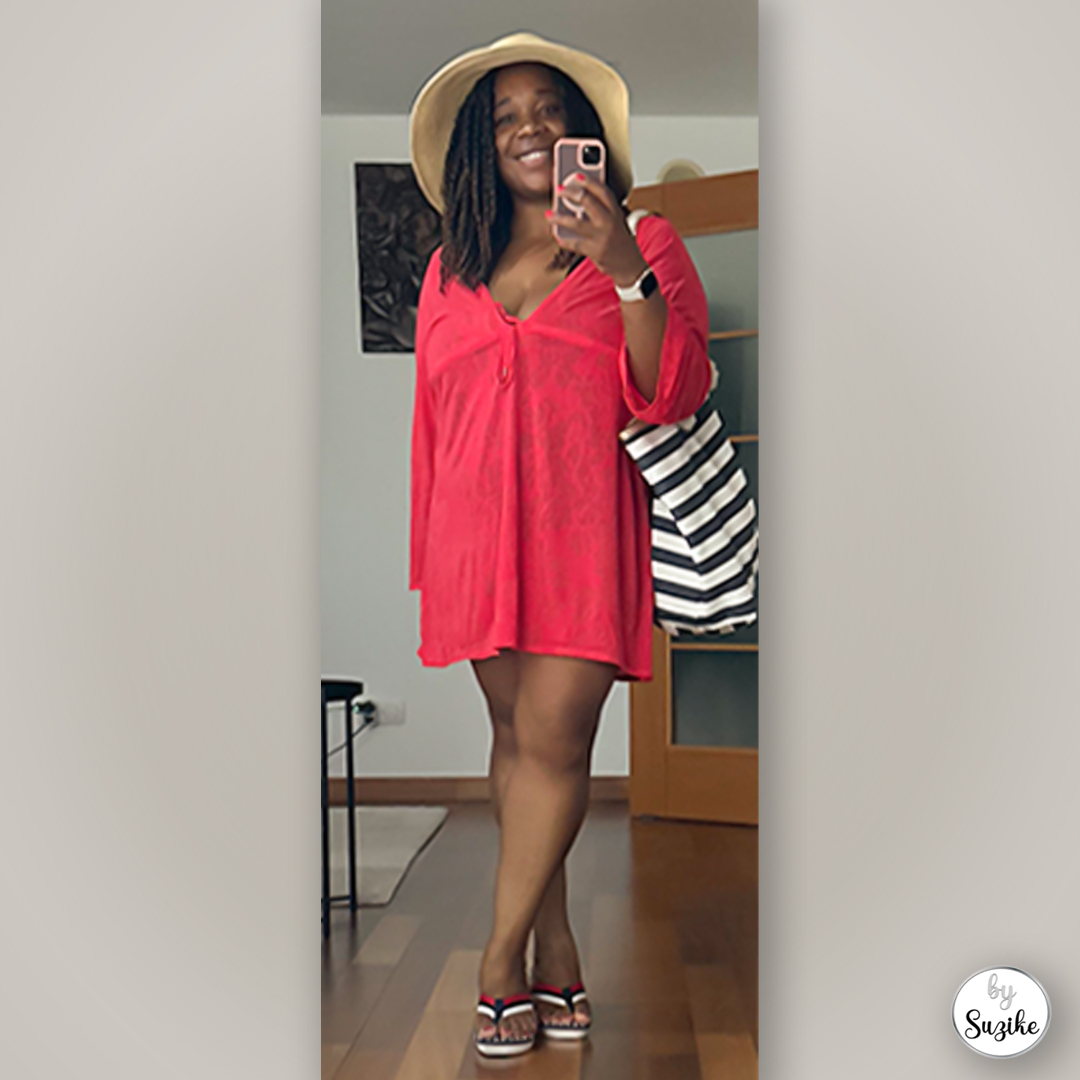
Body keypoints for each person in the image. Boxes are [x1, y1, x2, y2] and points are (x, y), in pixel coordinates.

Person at [408, 32, 712, 1057]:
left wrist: (624, 268)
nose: (530, 126)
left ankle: (497, 967)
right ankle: (556, 944)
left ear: (583, 130)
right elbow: (433, 426)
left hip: (584, 535)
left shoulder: (649, 242)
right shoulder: (451, 271)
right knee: (514, 743)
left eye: (547, 107)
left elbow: (670, 390)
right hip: (473, 544)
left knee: (555, 743)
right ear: (480, 151)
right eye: (505, 117)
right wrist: (430, 555)